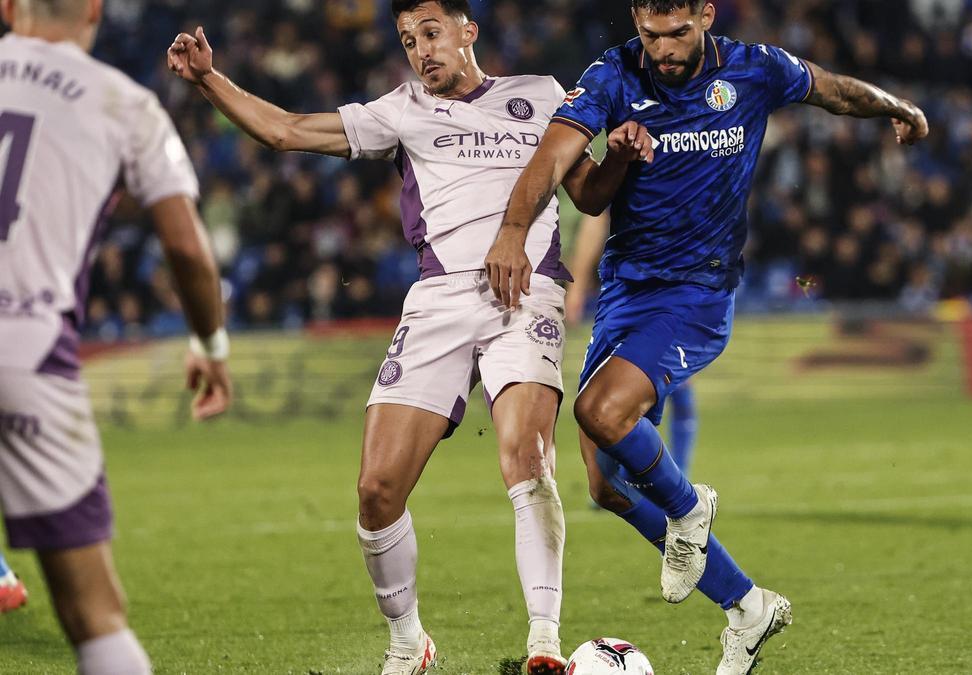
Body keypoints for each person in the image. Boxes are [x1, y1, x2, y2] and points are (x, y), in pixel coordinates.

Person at [167, 2, 648, 673]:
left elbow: (590, 194)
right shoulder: (401, 110)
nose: (420, 51)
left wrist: (618, 160)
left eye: (430, 33)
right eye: (407, 41)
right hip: (440, 300)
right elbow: (284, 131)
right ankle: (408, 641)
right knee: (376, 490)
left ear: (467, 30)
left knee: (528, 454)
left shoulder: (538, 96)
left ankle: (544, 644)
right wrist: (208, 80)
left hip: (526, 291)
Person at [486, 1, 928, 672]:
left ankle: (691, 509)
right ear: (636, 20)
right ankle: (747, 606)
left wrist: (896, 105)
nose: (663, 49)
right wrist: (516, 230)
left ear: (705, 16)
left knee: (599, 412)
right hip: (628, 292)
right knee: (607, 486)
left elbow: (833, 90)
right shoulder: (611, 76)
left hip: (698, 292)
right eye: (650, 34)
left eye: (678, 34)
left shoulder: (753, 70)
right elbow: (566, 172)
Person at [0, 0, 233, 672]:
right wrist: (212, 348)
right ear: (96, 11)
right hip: (29, 352)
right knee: (94, 616)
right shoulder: (125, 105)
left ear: (10, 7)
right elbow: (188, 251)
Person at [566, 211, 699, 479]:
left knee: (663, 382)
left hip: (666, 284)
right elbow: (597, 219)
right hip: (625, 287)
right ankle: (619, 479)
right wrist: (578, 287)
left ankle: (657, 478)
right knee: (612, 391)